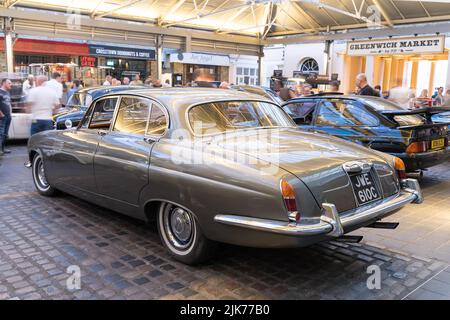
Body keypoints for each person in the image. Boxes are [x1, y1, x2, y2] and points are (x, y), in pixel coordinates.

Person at [0, 78, 12, 156]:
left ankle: (3, 149)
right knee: (1, 133)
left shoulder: (7, 92)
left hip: (8, 115)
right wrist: (1, 114)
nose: (11, 84)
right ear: (4, 83)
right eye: (9, 83)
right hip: (2, 116)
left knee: (5, 134)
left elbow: (8, 103)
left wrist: (10, 113)